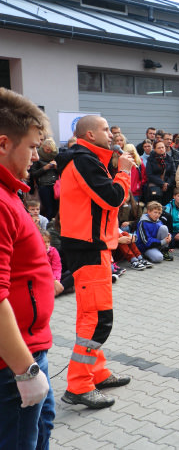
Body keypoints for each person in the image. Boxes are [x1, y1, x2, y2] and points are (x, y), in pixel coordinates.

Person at [56, 114, 132, 409]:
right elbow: (112, 198)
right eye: (104, 129)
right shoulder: (84, 160)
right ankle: (79, 386)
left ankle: (96, 373)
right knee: (98, 320)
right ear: (89, 134)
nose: (111, 134)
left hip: (90, 246)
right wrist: (123, 172)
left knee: (90, 315)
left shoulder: (86, 158)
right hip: (88, 248)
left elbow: (97, 208)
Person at [0, 87, 55, 446]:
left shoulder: (10, 192)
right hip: (13, 363)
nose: (37, 155)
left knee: (40, 428)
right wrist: (24, 370)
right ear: (4, 144)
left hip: (28, 347)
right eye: (33, 146)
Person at [30, 137, 59, 220]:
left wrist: (57, 167)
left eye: (51, 150)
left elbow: (63, 171)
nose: (49, 152)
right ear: (43, 147)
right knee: (49, 209)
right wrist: (45, 168)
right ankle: (49, 226)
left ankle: (56, 226)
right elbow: (33, 174)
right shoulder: (38, 157)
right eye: (47, 149)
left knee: (57, 208)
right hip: (44, 186)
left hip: (57, 185)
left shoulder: (56, 156)